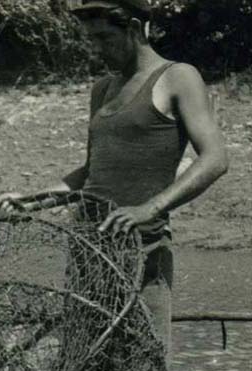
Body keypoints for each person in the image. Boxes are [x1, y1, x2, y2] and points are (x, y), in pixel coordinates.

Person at [61, 0, 228, 353]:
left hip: (142, 252)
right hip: (88, 252)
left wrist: (149, 208)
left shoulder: (178, 77)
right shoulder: (102, 89)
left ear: (135, 29)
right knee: (83, 370)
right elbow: (92, 171)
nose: (97, 49)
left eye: (105, 38)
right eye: (91, 40)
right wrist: (37, 195)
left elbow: (215, 159)